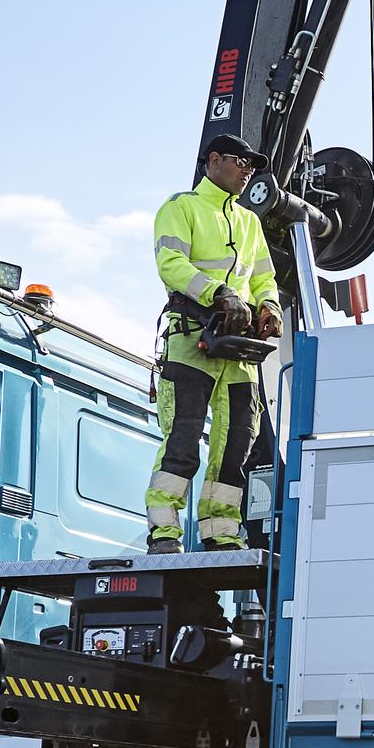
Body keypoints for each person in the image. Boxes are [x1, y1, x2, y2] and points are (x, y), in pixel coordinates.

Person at [145, 134, 283, 555]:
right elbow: (171, 265)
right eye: (241, 162)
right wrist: (219, 292)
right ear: (214, 160)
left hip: (239, 350)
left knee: (237, 443)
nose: (247, 171)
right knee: (183, 436)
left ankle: (220, 531)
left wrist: (270, 306)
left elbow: (264, 279)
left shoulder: (250, 223)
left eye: (251, 166)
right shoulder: (181, 207)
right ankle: (164, 531)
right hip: (191, 339)